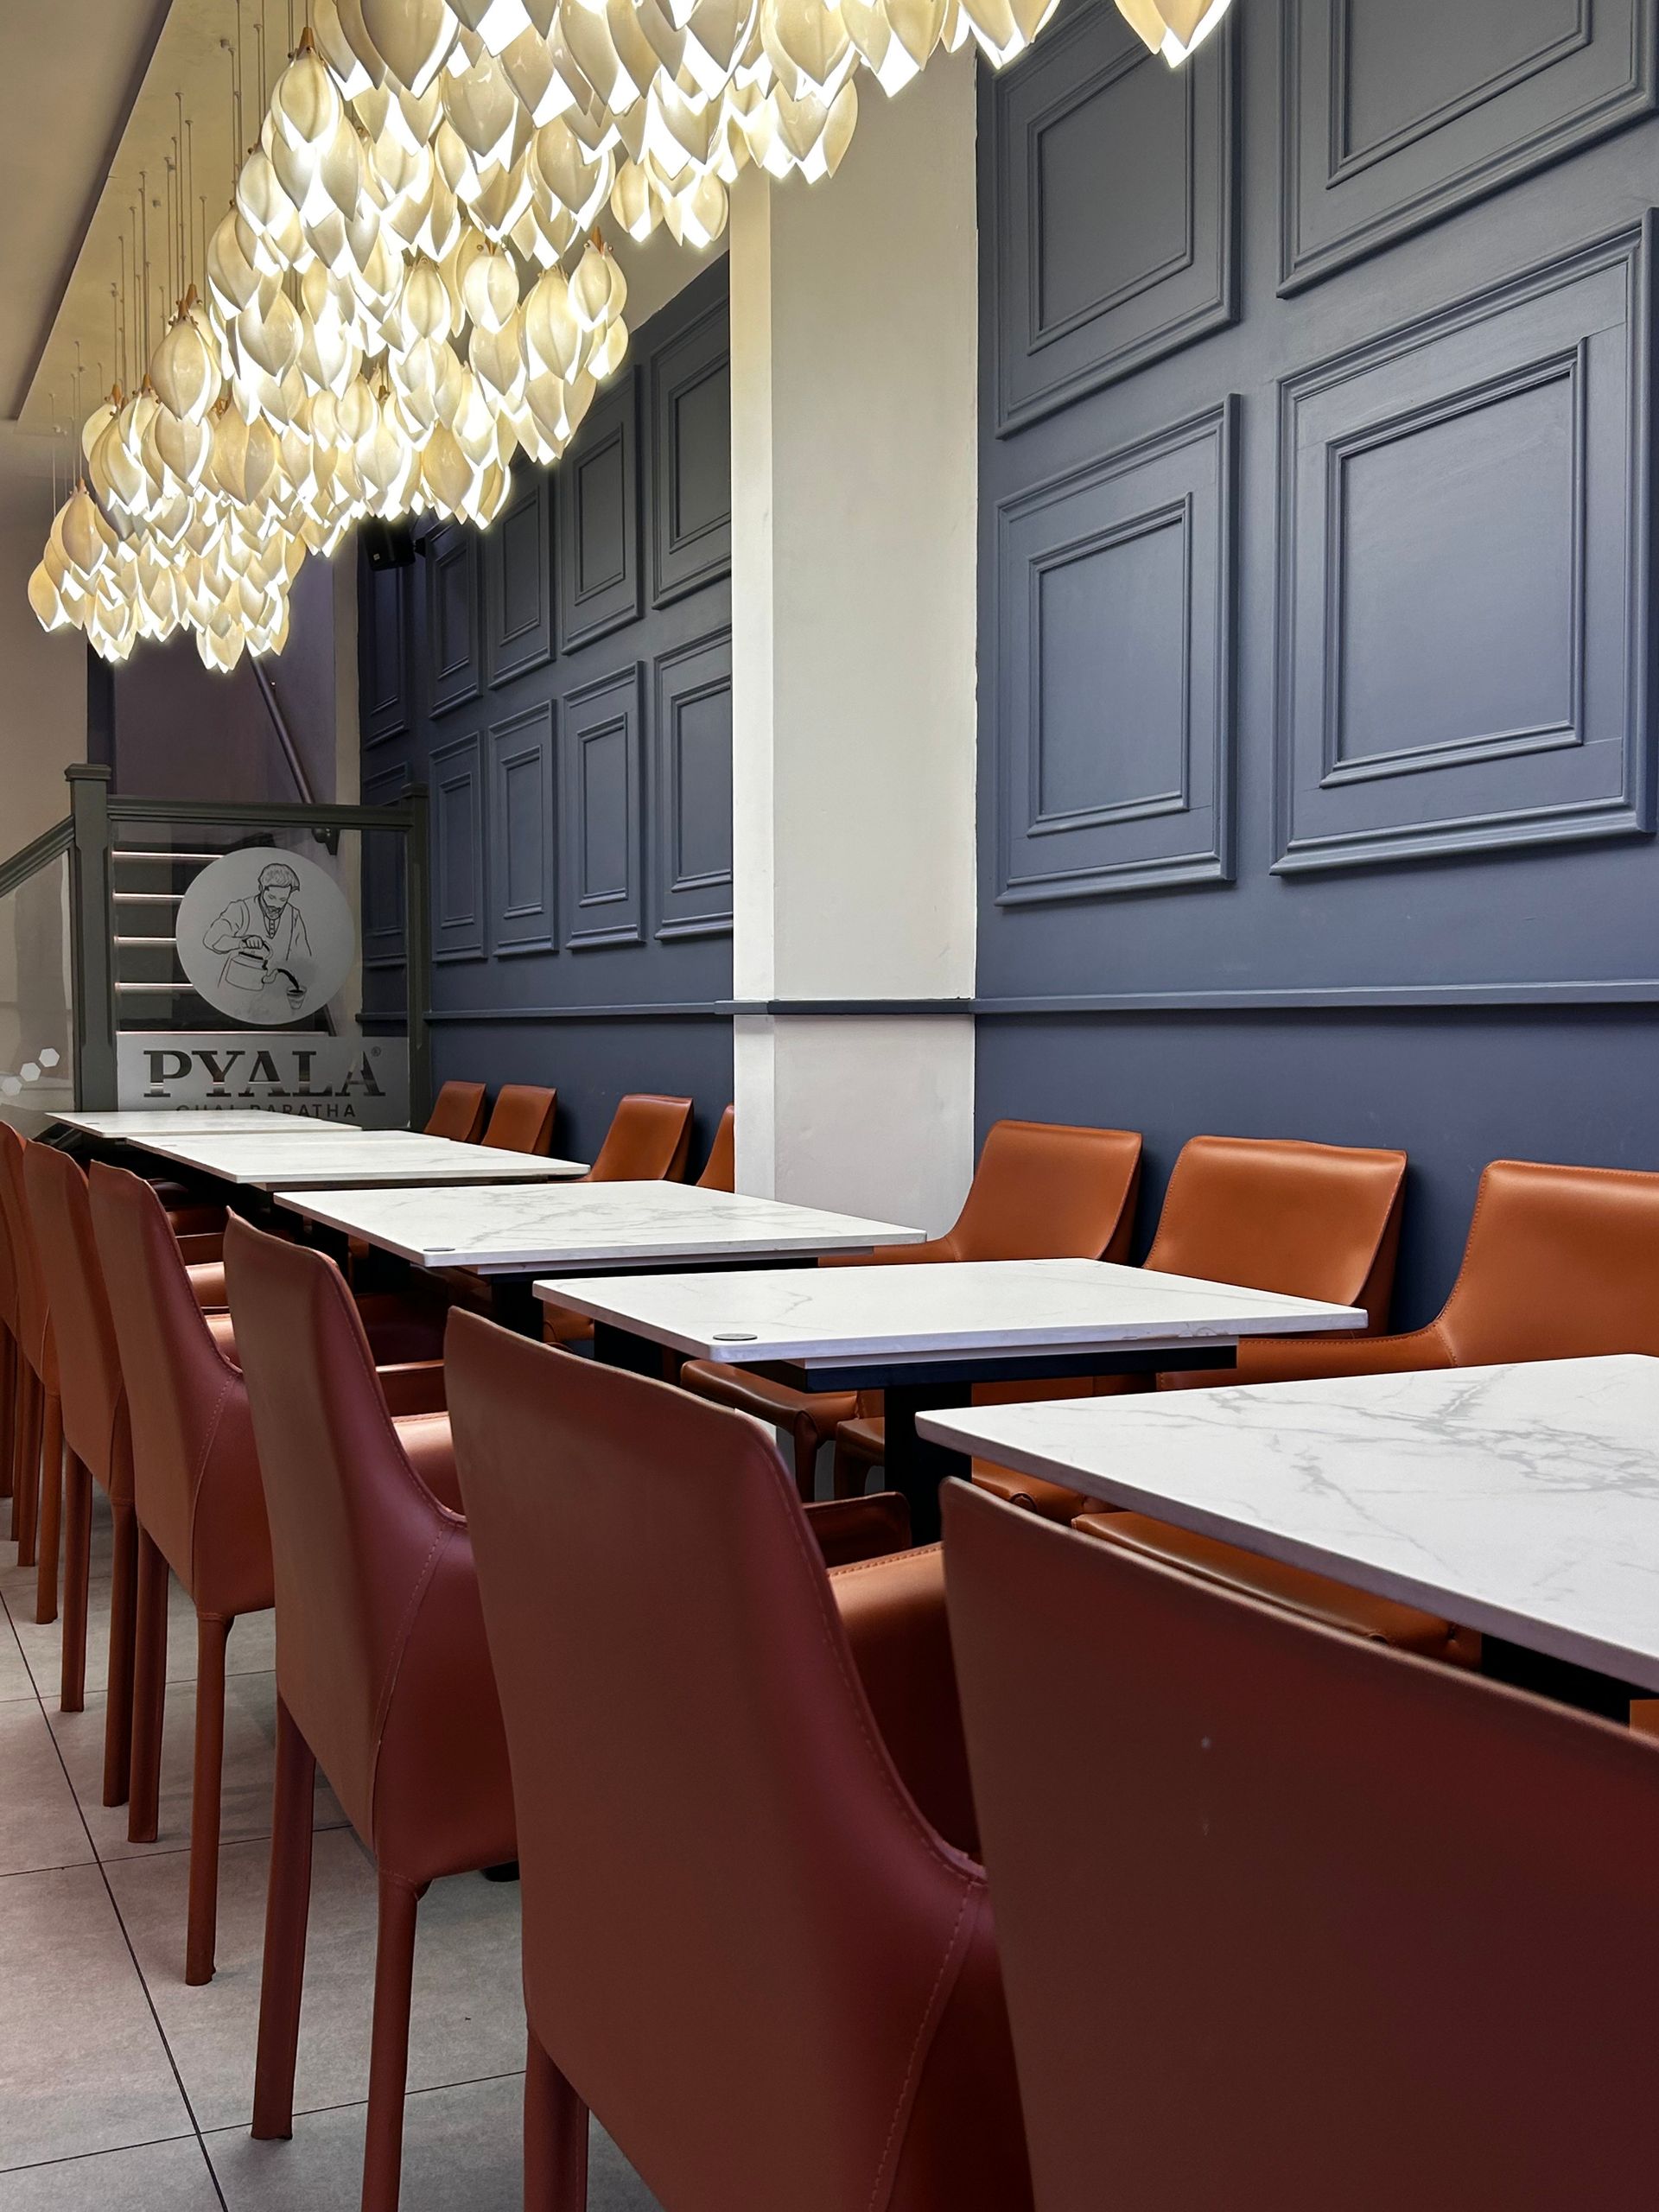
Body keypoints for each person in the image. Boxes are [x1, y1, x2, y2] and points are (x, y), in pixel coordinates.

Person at [203, 860, 313, 1021]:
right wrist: (242, 942)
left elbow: (303, 956)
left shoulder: (293, 915)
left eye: (283, 899)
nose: (276, 905)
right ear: (261, 888)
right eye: (272, 897)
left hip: (272, 1001)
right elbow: (211, 940)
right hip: (233, 998)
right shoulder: (241, 909)